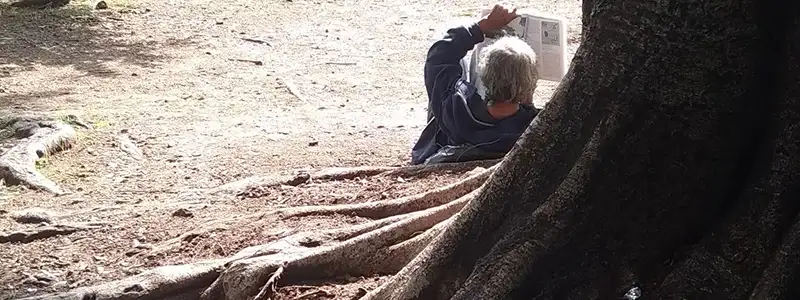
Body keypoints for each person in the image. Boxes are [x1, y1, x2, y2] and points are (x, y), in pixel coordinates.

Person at [410, 4, 541, 165]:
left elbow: (439, 58)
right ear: (531, 84)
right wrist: (527, 100)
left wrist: (481, 27)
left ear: (484, 76)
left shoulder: (456, 109)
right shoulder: (537, 126)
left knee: (455, 59)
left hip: (452, 143)